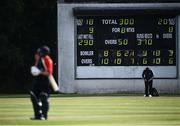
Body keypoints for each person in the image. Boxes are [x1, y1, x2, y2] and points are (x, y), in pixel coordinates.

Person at [30, 45, 53, 120]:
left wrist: (39, 72)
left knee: (44, 97)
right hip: (38, 81)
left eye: (40, 51)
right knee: (34, 97)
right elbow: (35, 69)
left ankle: (44, 115)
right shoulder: (40, 59)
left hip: (45, 82)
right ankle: (37, 115)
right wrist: (36, 60)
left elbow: (49, 73)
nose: (39, 53)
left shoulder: (47, 60)